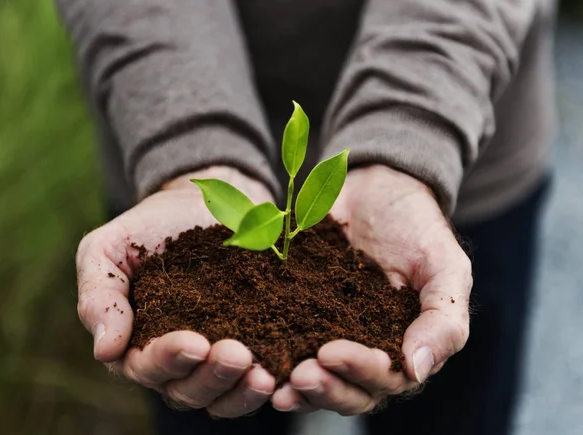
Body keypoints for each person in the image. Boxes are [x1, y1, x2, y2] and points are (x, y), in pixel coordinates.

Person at [57, 1, 556, 434]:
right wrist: (188, 145)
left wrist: (408, 137)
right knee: (203, 388)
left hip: (457, 143)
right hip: (161, 151)